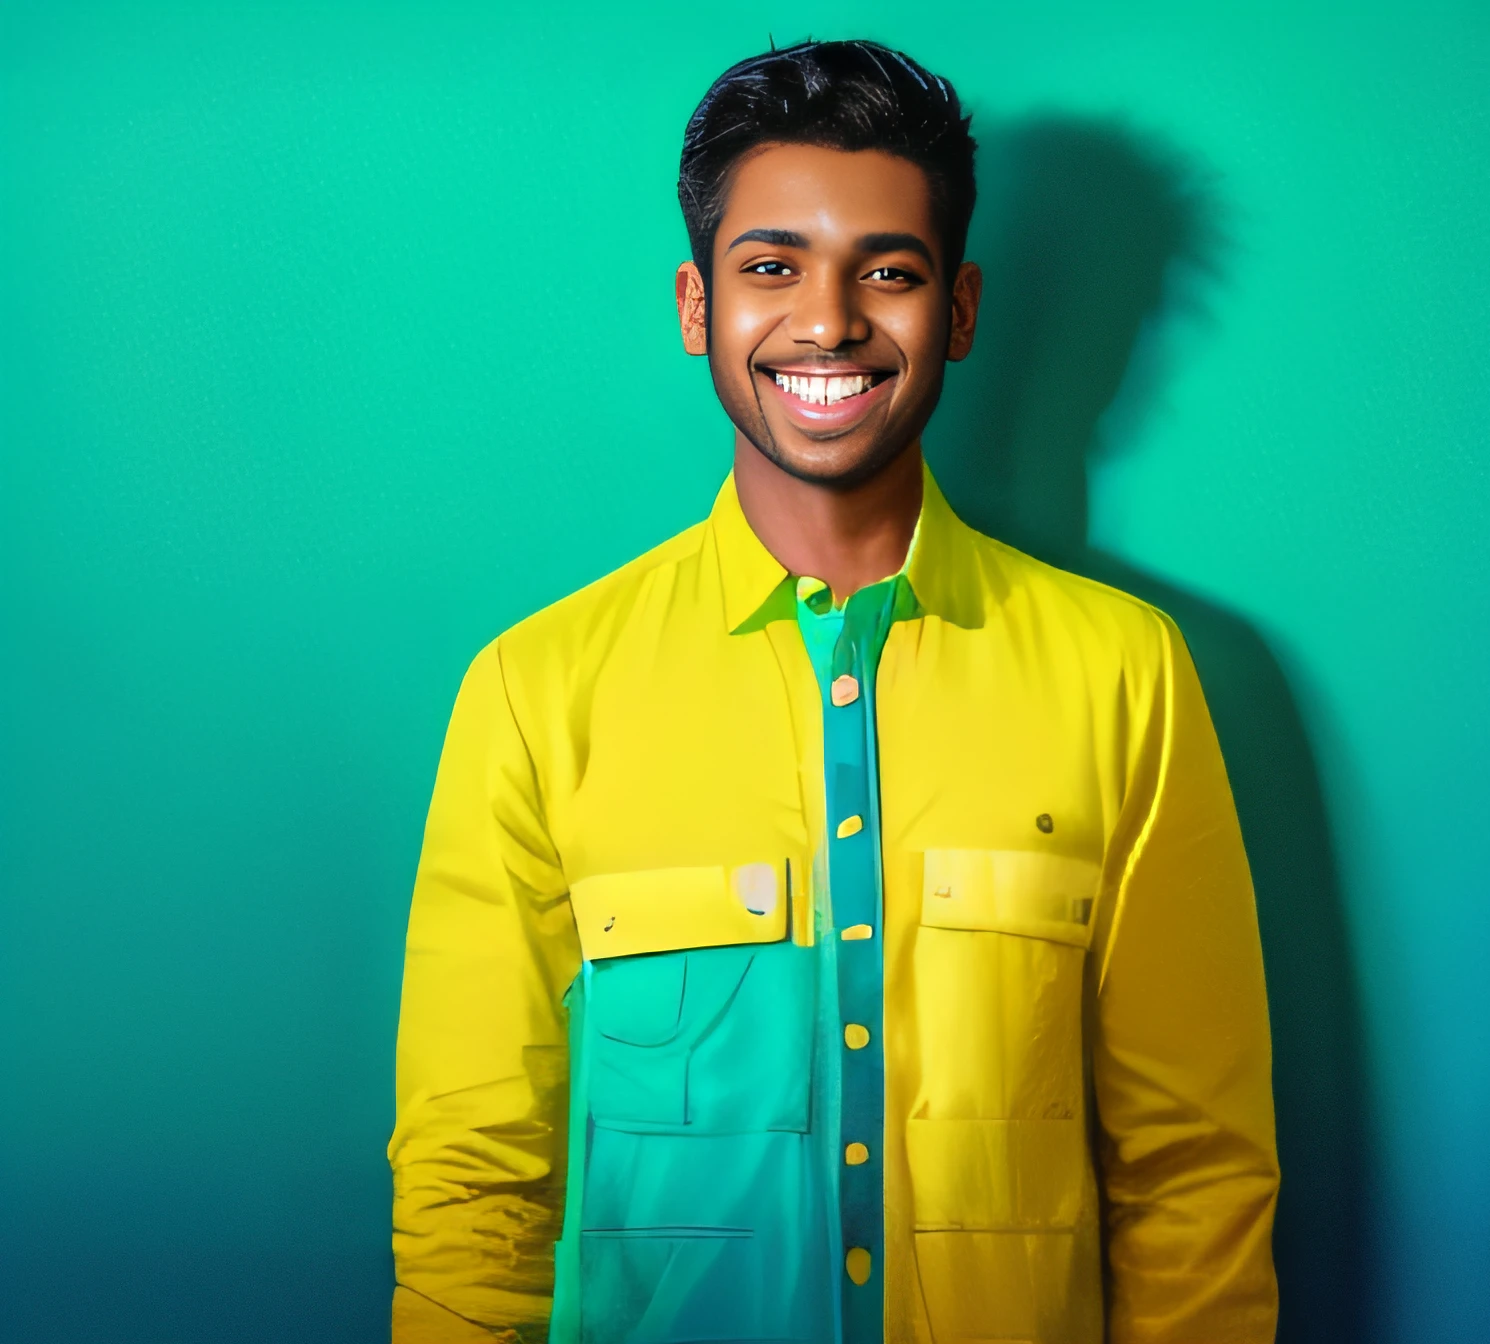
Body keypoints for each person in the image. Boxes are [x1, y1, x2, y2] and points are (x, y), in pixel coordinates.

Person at [389, 39, 1278, 1344]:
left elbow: (1193, 1169)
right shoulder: (536, 691)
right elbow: (475, 1180)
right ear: (699, 307)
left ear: (959, 312)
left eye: (889, 272)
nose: (829, 321)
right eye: (772, 268)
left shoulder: (1125, 675)